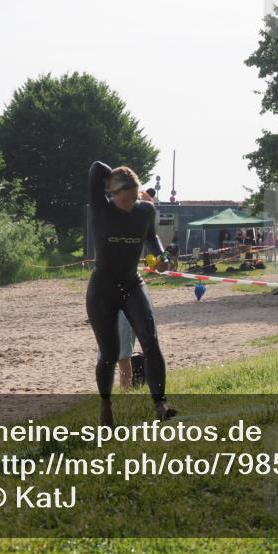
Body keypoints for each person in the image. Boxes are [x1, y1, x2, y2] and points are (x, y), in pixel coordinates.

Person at [87, 161, 174, 424]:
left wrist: (162, 256)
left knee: (150, 340)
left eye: (134, 197)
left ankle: (161, 404)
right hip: (103, 289)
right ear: (112, 195)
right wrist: (118, 177)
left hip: (132, 283)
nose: (129, 205)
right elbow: (96, 168)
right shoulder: (100, 207)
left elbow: (152, 238)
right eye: (124, 199)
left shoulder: (145, 211)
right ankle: (106, 405)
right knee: (110, 353)